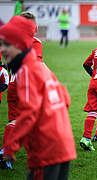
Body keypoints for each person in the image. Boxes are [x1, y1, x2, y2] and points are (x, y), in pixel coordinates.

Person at [0, 16, 77, 179]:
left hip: (45, 149)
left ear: (20, 44)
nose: (2, 50)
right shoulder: (42, 68)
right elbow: (66, 99)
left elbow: (29, 112)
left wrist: (10, 147)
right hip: (64, 144)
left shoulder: (26, 71)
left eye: (7, 44)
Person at [0, 11, 44, 170]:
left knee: (13, 120)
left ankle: (4, 153)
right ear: (34, 27)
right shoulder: (35, 42)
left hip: (12, 85)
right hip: (25, 86)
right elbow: (35, 63)